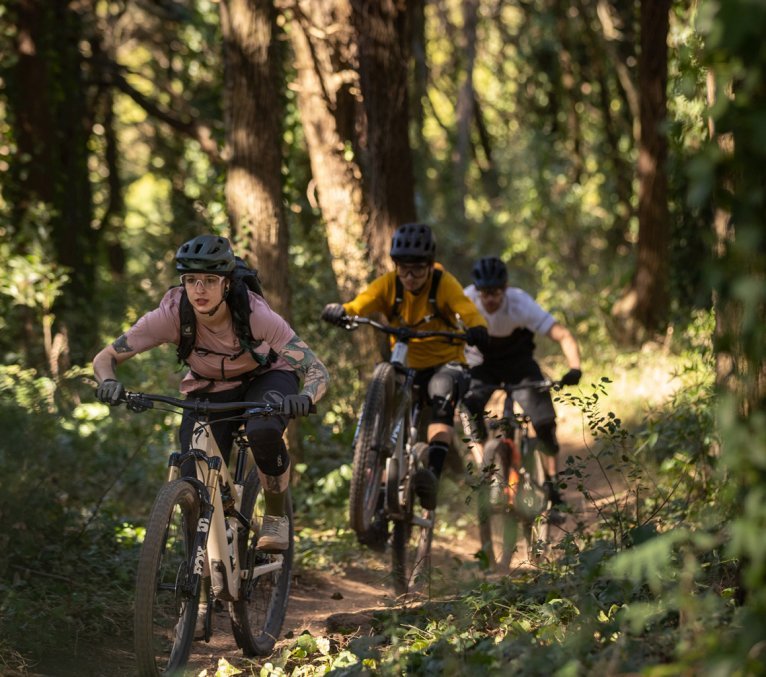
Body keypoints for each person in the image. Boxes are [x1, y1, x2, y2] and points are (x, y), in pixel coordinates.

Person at [93, 234, 330, 553]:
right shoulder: (171, 314)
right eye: (191, 280)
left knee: (263, 431)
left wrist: (306, 397)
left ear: (227, 284)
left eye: (209, 280)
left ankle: (275, 516)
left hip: (266, 377)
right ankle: (201, 581)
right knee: (191, 476)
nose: (199, 290)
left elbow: (317, 370)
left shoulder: (255, 315)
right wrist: (108, 382)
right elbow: (105, 358)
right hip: (208, 387)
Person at [321, 223, 489, 511]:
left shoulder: (443, 284)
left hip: (446, 363)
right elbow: (361, 303)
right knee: (388, 398)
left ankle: (432, 477)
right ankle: (377, 480)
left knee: (441, 393)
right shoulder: (389, 284)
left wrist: (477, 327)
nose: (410, 277)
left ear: (429, 265)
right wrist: (342, 311)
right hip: (406, 364)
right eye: (403, 269)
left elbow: (467, 309)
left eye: (418, 270)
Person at [461, 256, 582, 511]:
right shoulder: (465, 299)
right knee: (468, 405)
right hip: (483, 363)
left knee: (544, 422)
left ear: (504, 290)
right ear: (477, 290)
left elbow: (562, 334)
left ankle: (551, 483)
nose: (489, 299)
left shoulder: (520, 302)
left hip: (519, 363)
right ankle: (487, 469)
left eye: (494, 293)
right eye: (484, 293)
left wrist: (575, 368)